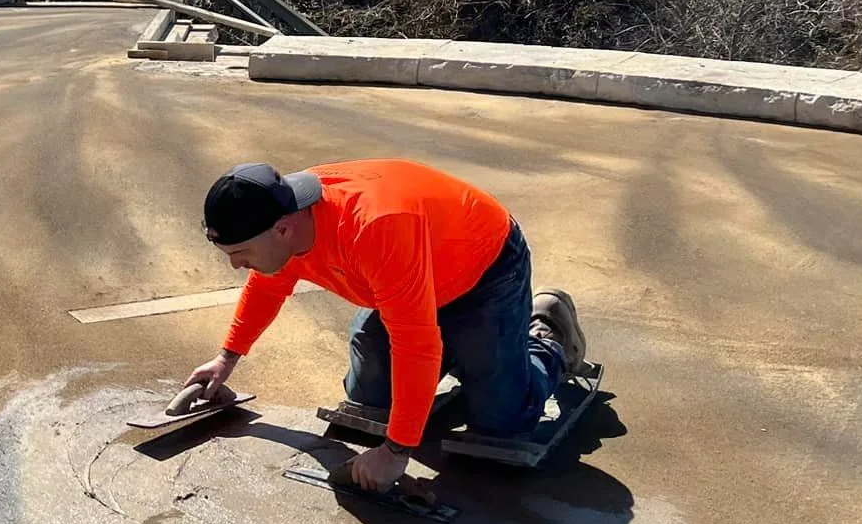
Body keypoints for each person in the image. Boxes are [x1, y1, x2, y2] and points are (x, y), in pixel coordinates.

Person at [185, 161, 586, 493]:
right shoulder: (280, 215)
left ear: (284, 229)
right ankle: (464, 349)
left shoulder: (373, 226)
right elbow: (266, 288)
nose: (235, 265)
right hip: (408, 278)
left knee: (503, 420)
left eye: (239, 254)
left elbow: (416, 344)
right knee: (369, 399)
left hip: (482, 269)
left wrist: (394, 451)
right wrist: (227, 359)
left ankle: (547, 339)